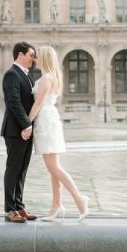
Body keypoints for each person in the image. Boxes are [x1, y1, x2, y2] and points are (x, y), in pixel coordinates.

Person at [28, 45, 90, 222]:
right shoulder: (51, 77)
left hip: (46, 121)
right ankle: (56, 205)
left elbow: (38, 103)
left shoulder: (46, 78)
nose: (35, 59)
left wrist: (26, 123)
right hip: (49, 120)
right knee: (53, 167)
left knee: (53, 167)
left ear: (45, 58)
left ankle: (79, 198)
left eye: (37, 57)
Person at [1, 42, 38, 223]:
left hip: (26, 129)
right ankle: (9, 209)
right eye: (31, 55)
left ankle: (19, 205)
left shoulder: (26, 76)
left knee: (22, 170)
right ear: (20, 55)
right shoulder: (11, 74)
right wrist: (26, 125)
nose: (33, 59)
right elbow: (13, 102)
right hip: (16, 130)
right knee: (13, 169)